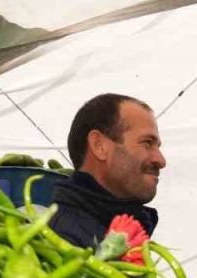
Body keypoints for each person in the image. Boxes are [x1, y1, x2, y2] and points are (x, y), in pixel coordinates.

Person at [48, 94, 166, 249]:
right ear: (99, 146)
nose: (161, 160)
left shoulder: (118, 234)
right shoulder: (61, 241)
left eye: (158, 146)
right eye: (147, 143)